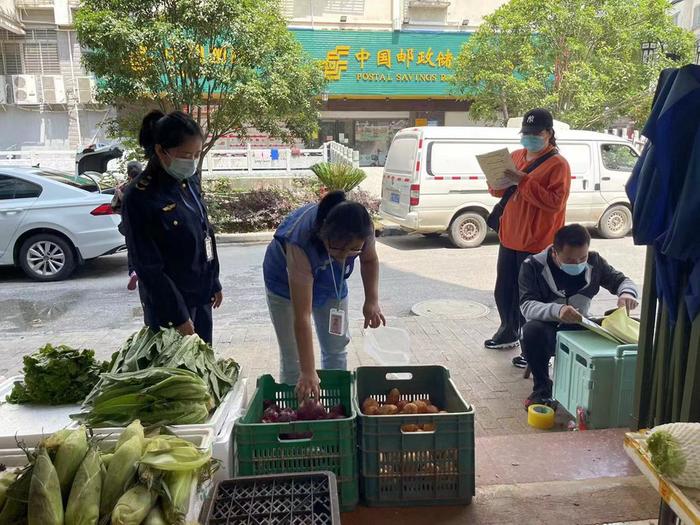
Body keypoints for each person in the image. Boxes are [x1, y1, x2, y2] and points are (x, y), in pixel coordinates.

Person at [263, 191, 385, 399]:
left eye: (353, 250)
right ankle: (295, 412)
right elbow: (302, 318)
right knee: (294, 359)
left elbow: (369, 261)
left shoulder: (363, 229)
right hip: (284, 286)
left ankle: (336, 405)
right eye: (339, 249)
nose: (345, 257)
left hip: (332, 283)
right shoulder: (299, 241)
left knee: (336, 348)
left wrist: (371, 300)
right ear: (323, 234)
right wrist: (309, 372)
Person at [121, 111, 223, 344]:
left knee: (203, 365)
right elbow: (148, 266)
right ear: (160, 151)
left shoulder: (187, 182)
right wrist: (178, 316)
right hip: (170, 307)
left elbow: (205, 232)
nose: (192, 161)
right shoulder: (139, 197)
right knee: (180, 374)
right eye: (186, 155)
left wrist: (213, 281)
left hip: (200, 294)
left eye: (197, 154)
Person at [485, 108, 572, 371]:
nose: (530, 138)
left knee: (532, 299)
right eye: (527, 133)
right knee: (504, 290)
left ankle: (532, 347)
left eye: (537, 133)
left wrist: (524, 180)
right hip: (509, 237)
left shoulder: (558, 165)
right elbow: (497, 190)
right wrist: (496, 177)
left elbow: (555, 203)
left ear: (549, 134)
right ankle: (507, 331)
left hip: (538, 243)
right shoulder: (515, 156)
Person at [518, 224, 639, 406]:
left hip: (581, 324)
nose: (577, 264)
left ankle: (612, 388)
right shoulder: (532, 266)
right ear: (554, 253)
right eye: (570, 260)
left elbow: (621, 280)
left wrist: (627, 293)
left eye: (582, 258)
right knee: (530, 331)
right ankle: (542, 389)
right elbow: (527, 305)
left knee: (633, 329)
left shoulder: (594, 262)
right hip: (548, 328)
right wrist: (557, 311)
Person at [112, 160, 143, 290]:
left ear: (128, 173)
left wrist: (118, 193)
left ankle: (133, 272)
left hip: (129, 224)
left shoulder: (124, 187)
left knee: (132, 248)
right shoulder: (148, 185)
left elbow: (114, 207)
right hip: (146, 224)